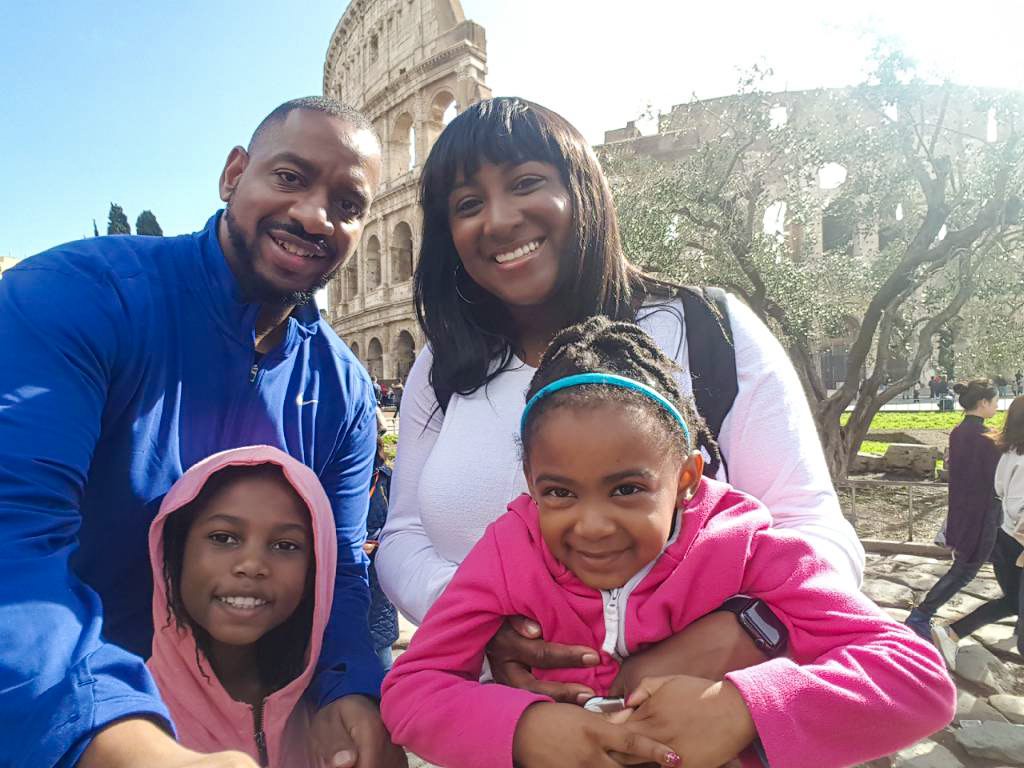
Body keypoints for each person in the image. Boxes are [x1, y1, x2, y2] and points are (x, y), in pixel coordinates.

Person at [377, 97, 864, 701]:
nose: (498, 220)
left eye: (526, 183)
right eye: (467, 204)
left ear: (584, 191)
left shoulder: (706, 327)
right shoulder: (441, 364)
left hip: (695, 728)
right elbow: (401, 537)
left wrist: (730, 638)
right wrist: (480, 625)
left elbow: (815, 530)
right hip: (500, 730)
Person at [0, 97, 405, 768]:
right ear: (232, 174)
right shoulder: (80, 297)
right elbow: (11, 538)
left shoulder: (344, 392)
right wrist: (112, 739)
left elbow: (343, 569)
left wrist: (350, 689)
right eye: (289, 177)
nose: (314, 215)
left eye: (348, 204)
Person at [380, 317, 955, 768]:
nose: (594, 524)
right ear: (531, 484)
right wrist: (525, 728)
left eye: (626, 488)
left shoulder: (754, 550)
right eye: (559, 492)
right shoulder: (509, 551)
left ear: (685, 478)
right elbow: (412, 690)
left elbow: (915, 678)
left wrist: (743, 709)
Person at [148, 446, 335, 767]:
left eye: (285, 545)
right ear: (175, 553)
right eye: (223, 538)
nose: (251, 565)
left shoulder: (334, 718)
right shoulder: (129, 717)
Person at [906, 380, 1002, 640]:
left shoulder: (958, 433)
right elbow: (998, 480)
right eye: (994, 401)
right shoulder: (989, 438)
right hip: (984, 515)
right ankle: (921, 615)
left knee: (989, 567)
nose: (996, 406)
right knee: (964, 571)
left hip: (962, 510)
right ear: (983, 403)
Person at [931, 395, 1024, 663]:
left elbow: (1001, 491)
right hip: (1017, 541)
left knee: (1011, 601)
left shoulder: (1007, 453)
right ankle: (946, 630)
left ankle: (951, 633)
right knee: (1013, 601)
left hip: (1005, 536)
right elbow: (1020, 508)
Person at [366, 410, 399, 671]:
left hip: (378, 580)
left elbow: (401, 527)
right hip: (347, 574)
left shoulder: (387, 480)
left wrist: (376, 544)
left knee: (382, 655)